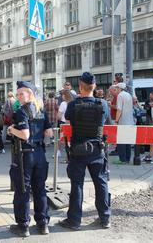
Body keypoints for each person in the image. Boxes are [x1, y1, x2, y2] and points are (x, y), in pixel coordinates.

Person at [59, 72, 111, 230]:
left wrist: (72, 101)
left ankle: (74, 221)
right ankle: (105, 218)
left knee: (77, 186)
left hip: (78, 150)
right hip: (97, 149)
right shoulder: (102, 104)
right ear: (94, 87)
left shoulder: (74, 105)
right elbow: (105, 119)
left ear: (80, 87)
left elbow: (68, 119)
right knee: (101, 183)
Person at [7, 81, 53, 237]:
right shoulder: (42, 111)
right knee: (40, 189)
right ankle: (43, 224)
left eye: (22, 93)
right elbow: (49, 133)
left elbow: (25, 135)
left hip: (26, 155)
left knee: (23, 190)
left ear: (30, 94)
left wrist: (12, 129)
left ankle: (23, 226)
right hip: (40, 153)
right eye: (18, 93)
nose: (19, 96)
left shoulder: (22, 111)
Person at [114, 82, 135, 164]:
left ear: (119, 88)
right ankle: (127, 158)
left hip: (123, 121)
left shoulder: (120, 95)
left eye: (116, 88)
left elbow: (119, 109)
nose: (116, 89)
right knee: (127, 142)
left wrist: (116, 121)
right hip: (130, 121)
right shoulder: (128, 95)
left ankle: (122, 159)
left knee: (121, 141)